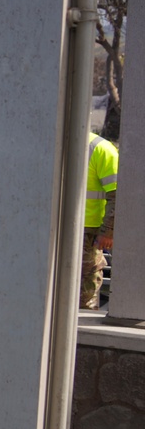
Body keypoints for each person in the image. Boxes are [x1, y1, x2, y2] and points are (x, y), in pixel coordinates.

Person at [81, 132, 118, 309]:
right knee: (84, 291)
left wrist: (108, 232)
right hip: (83, 230)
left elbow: (117, 196)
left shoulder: (101, 149)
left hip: (88, 233)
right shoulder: (101, 148)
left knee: (84, 290)